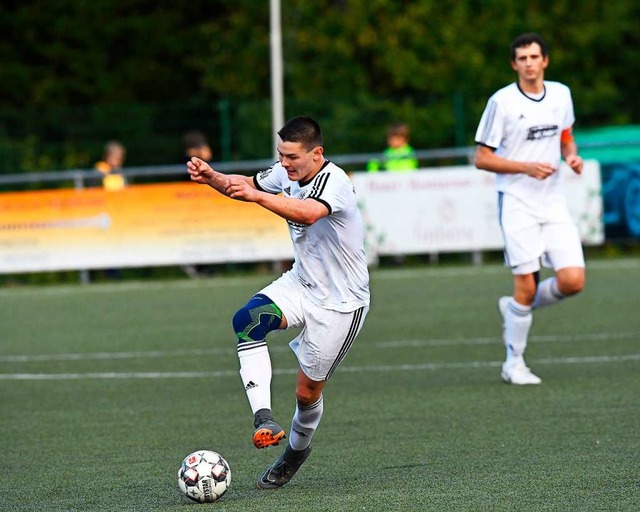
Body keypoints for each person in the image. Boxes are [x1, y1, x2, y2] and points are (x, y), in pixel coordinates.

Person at [187, 116, 370, 488]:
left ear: (317, 154)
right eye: (281, 156)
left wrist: (260, 197)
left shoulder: (335, 182)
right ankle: (264, 418)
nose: (284, 164)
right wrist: (214, 178)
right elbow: (245, 185)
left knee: (307, 393)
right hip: (301, 283)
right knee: (248, 320)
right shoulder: (285, 174)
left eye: (292, 157)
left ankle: (295, 453)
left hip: (341, 303)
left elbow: (309, 212)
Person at [474, 32, 585, 385]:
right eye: (522, 58)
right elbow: (482, 158)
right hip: (518, 202)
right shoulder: (502, 102)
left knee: (573, 281)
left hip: (553, 202)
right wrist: (526, 167)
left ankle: (516, 309)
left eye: (534, 57)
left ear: (545, 61)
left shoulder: (561, 94)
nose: (529, 63)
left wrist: (571, 157)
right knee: (525, 285)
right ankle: (514, 363)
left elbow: (565, 136)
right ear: (514, 64)